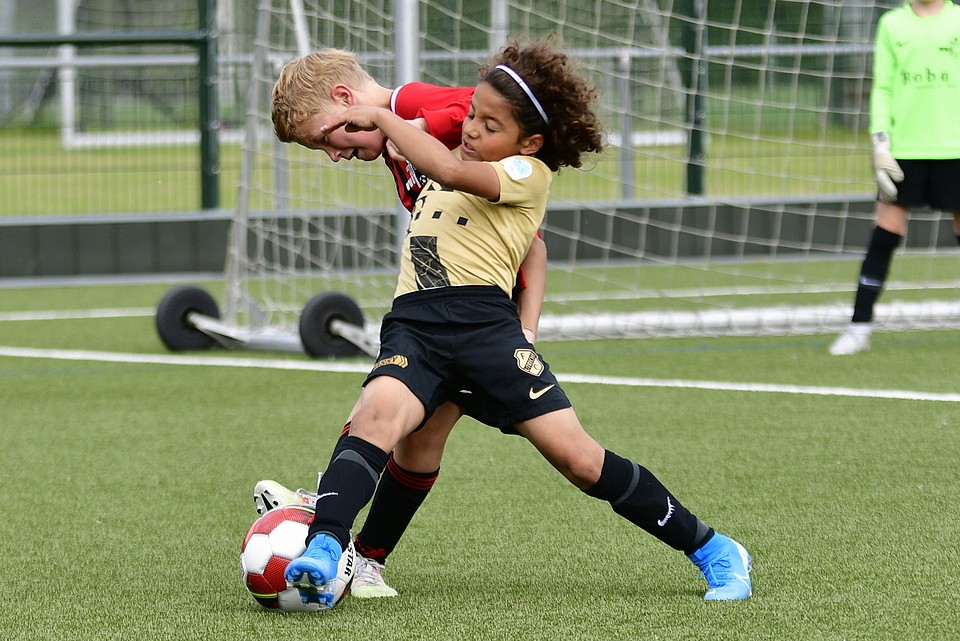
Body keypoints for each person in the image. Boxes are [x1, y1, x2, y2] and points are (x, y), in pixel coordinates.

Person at [281, 40, 753, 605]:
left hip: (486, 330)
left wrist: (525, 330)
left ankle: (713, 548)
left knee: (581, 462)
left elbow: (456, 166)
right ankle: (331, 547)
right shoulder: (431, 159)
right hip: (416, 324)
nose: (470, 128)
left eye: (487, 123)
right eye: (471, 119)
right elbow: (523, 239)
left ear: (528, 140)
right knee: (385, 425)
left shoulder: (518, 170)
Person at [261, 48, 548, 597]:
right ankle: (360, 553)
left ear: (345, 100)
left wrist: (416, 125)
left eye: (326, 138)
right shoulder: (400, 159)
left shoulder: (411, 104)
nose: (334, 156)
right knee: (415, 436)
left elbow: (473, 107)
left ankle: (332, 510)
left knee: (579, 460)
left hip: (484, 326)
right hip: (448, 322)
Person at [829, 0, 960, 356]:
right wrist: (880, 144)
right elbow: (883, 88)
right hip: (904, 150)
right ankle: (859, 327)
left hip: (956, 149)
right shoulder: (891, 24)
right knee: (885, 233)